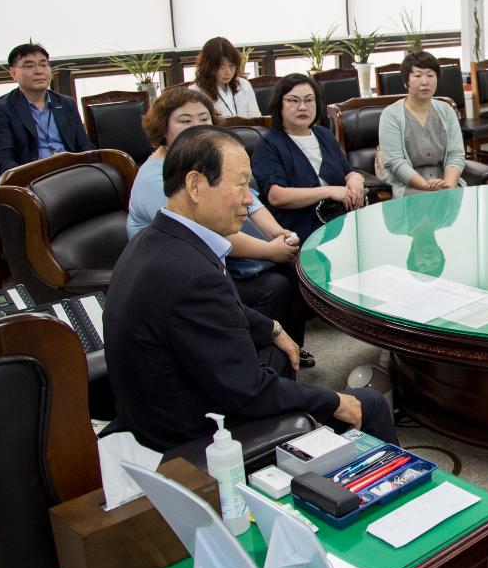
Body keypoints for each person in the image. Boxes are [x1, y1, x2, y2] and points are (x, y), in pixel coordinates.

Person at [105, 125, 396, 452]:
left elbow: (224, 308)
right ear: (196, 185)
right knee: (368, 404)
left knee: (279, 351)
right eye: (242, 185)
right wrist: (334, 400)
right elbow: (249, 390)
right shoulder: (192, 275)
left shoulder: (156, 238)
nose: (249, 198)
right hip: (193, 436)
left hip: (160, 402)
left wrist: (272, 327)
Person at [126, 87, 312, 358]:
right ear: (163, 128)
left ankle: (291, 350)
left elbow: (251, 202)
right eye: (185, 121)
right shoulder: (157, 179)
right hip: (179, 273)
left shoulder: (207, 160)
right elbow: (202, 234)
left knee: (292, 269)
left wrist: (277, 233)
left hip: (218, 257)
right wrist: (270, 250)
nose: (197, 127)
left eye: (204, 119)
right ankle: (250, 358)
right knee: (274, 286)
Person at [252, 74, 366, 241]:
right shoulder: (268, 145)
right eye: (293, 100)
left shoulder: (324, 135)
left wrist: (355, 178)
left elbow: (346, 171)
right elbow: (276, 196)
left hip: (339, 223)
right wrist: (329, 191)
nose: (303, 107)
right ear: (279, 105)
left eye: (309, 100)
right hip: (299, 231)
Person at [0, 42, 93, 175]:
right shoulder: (1, 108)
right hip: (29, 178)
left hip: (68, 173)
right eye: (29, 66)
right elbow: (3, 159)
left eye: (43, 64)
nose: (39, 71)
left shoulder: (66, 103)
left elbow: (85, 147)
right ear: (13, 73)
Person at [378, 50, 467, 198]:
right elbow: (396, 163)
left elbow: (456, 155)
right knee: (428, 205)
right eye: (418, 75)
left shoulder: (447, 111)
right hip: (408, 186)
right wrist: (426, 187)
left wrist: (448, 186)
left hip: (445, 182)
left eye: (430, 75)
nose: (425, 81)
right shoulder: (391, 115)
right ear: (406, 81)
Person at [193, 36, 260, 118]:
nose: (228, 72)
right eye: (221, 67)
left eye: (231, 65)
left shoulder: (244, 85)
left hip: (248, 130)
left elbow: (256, 118)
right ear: (208, 66)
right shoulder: (196, 91)